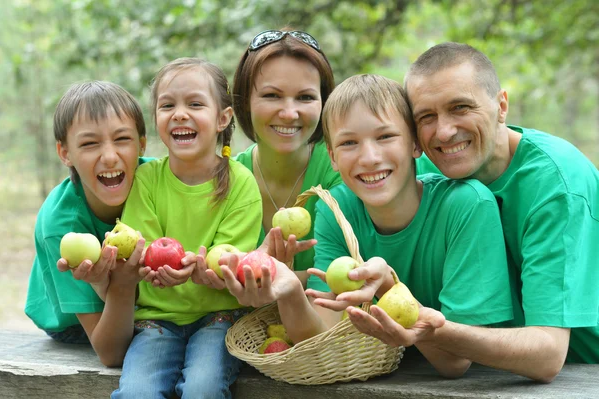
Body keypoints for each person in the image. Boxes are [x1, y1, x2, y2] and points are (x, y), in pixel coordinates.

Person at [218, 74, 514, 378]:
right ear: (332, 157)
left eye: (385, 137)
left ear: (415, 144)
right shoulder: (337, 210)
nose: (370, 158)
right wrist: (291, 291)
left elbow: (455, 363)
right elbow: (322, 338)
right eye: (349, 143)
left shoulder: (466, 206)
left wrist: (388, 285)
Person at [391, 41, 599, 381]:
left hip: (583, 372)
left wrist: (433, 330)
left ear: (501, 106)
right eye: (426, 117)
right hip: (481, 370)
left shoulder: (558, 185)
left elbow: (548, 356)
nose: (443, 131)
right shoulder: (424, 169)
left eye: (460, 107)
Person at [111, 58, 262, 399]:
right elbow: (141, 244)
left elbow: (231, 258)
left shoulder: (241, 185)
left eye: (195, 104)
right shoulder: (147, 179)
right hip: (156, 322)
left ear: (223, 118)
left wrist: (204, 268)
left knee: (202, 389)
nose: (179, 114)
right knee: (137, 392)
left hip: (218, 318)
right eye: (168, 105)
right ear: (157, 119)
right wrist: (156, 265)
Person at [24, 81, 149, 367]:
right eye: (90, 143)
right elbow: (111, 353)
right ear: (65, 153)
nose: (109, 156)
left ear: (142, 144)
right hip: (73, 324)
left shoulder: (157, 181)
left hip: (134, 298)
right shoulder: (60, 223)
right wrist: (119, 286)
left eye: (122, 139)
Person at [232, 29, 342, 283]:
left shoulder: (341, 169)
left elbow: (350, 272)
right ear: (244, 101)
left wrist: (275, 280)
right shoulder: (227, 179)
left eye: (305, 97)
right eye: (272, 96)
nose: (290, 113)